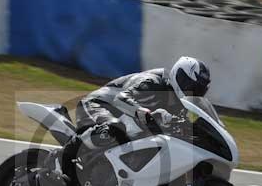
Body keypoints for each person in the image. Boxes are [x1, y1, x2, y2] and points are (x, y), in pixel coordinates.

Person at [60, 56, 213, 174]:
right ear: (181, 78)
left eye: (198, 90)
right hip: (97, 105)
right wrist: (143, 112)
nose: (193, 93)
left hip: (126, 120)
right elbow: (120, 99)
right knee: (114, 127)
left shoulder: (180, 105)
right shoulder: (152, 82)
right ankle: (67, 153)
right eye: (192, 87)